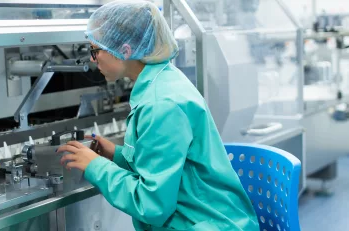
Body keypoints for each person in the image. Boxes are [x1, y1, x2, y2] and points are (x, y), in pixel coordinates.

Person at [57, 1, 260, 230]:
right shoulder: (163, 78)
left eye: (96, 50)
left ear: (124, 50)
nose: (93, 59)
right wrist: (117, 155)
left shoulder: (160, 104)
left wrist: (95, 166)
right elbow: (166, 165)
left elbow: (151, 205)